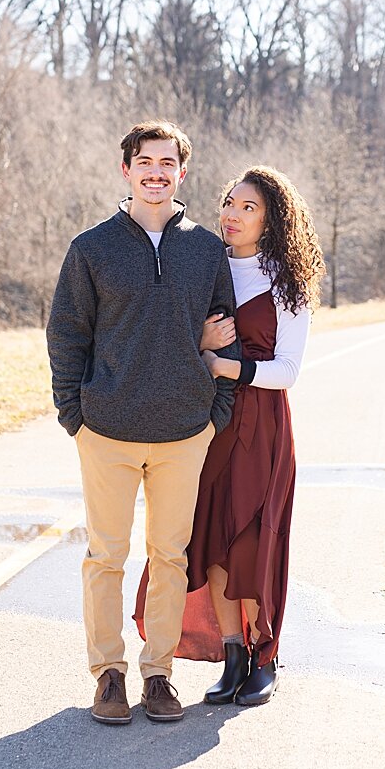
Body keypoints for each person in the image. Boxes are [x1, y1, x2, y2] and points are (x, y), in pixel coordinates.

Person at [47, 120, 239, 725]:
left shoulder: (207, 250)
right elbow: (66, 335)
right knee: (106, 555)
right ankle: (108, 674)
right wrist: (73, 415)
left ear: (182, 172)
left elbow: (226, 334)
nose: (156, 173)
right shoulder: (92, 248)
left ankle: (159, 674)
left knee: (170, 556)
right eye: (144, 162)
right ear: (126, 169)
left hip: (185, 431)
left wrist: (215, 415)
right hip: (107, 430)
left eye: (167, 163)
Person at [134, 164, 324, 707]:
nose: (233, 215)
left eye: (249, 208)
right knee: (211, 539)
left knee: (255, 541)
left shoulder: (287, 283)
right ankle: (233, 654)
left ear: (272, 220)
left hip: (263, 426)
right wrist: (200, 349)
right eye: (229, 204)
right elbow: (175, 343)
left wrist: (227, 367)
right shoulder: (205, 268)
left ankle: (266, 659)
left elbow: (288, 369)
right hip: (209, 423)